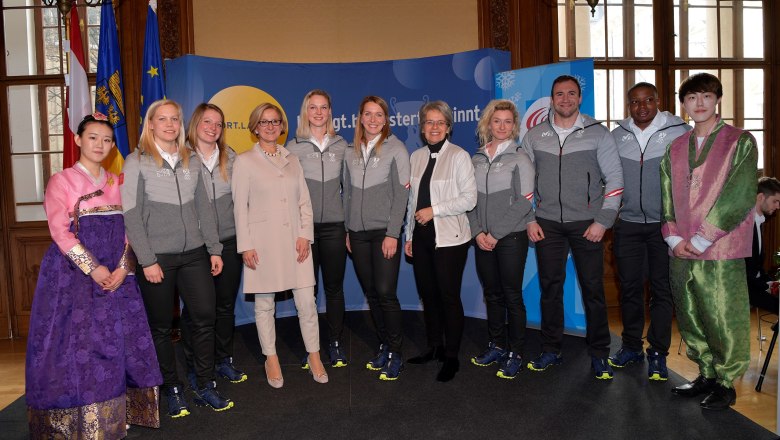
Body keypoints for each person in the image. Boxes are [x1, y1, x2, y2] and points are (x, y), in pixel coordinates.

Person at [27, 113, 162, 438]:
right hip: (73, 277)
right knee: (82, 348)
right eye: (93, 138)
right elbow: (60, 232)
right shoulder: (61, 181)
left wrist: (123, 267)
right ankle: (85, 419)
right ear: (78, 140)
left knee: (120, 342)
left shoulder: (119, 182)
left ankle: (120, 412)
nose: (100, 145)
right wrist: (93, 268)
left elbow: (132, 228)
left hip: (118, 275)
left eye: (107, 139)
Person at [121, 99, 233, 417]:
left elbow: (204, 210)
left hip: (195, 254)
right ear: (151, 124)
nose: (170, 124)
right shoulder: (136, 162)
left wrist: (214, 249)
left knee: (204, 317)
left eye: (175, 119)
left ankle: (205, 383)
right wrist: (147, 260)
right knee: (160, 327)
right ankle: (171, 388)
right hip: (156, 258)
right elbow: (131, 215)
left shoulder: (191, 160)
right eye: (163, 119)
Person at [662, 73, 758, 410]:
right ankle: (705, 372)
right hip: (681, 248)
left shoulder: (739, 141)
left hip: (720, 247)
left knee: (721, 316)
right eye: (691, 98)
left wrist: (703, 238)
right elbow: (667, 198)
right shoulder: (675, 147)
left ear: (717, 99)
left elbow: (740, 194)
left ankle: (725, 381)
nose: (698, 103)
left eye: (705, 96)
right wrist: (674, 238)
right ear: (683, 104)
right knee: (689, 313)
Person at [522, 75, 624, 380]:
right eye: (559, 94)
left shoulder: (598, 134)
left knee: (593, 290)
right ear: (551, 99)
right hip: (547, 224)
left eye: (571, 94)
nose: (565, 99)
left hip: (588, 224)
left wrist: (602, 222)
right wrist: (529, 218)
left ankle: (599, 353)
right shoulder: (534, 136)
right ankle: (550, 349)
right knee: (550, 289)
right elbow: (523, 182)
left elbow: (616, 180)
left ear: (580, 98)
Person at [233, 102, 328, 388]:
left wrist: (304, 235)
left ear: (283, 126)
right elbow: (240, 208)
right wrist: (246, 245)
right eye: (264, 122)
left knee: (307, 303)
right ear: (255, 127)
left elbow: (304, 202)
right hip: (262, 244)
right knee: (264, 305)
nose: (271, 126)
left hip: (295, 243)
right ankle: (270, 357)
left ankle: (314, 355)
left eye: (275, 121)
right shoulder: (245, 161)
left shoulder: (293, 160)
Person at [608, 82, 691, 381]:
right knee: (629, 289)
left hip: (665, 226)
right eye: (635, 102)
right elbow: (606, 176)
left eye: (648, 101)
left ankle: (658, 352)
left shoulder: (680, 131)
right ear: (628, 105)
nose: (641, 107)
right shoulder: (617, 136)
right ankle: (630, 346)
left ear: (658, 101)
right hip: (627, 225)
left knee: (662, 291)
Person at [404, 100, 477, 382]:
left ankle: (451, 357)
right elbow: (412, 202)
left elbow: (469, 199)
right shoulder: (417, 157)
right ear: (422, 128)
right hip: (421, 238)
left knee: (448, 297)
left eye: (440, 122)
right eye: (429, 122)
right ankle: (434, 347)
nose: (434, 127)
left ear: (448, 127)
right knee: (429, 296)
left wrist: (434, 211)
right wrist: (409, 235)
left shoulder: (459, 156)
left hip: (450, 239)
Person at [343, 96, 411, 380]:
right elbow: (346, 191)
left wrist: (393, 233)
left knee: (385, 293)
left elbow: (402, 196)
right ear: (360, 118)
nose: (373, 119)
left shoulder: (397, 149)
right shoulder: (350, 150)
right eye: (368, 114)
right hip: (357, 235)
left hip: (384, 233)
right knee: (372, 294)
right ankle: (384, 344)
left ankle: (396, 352)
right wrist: (348, 229)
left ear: (386, 119)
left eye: (378, 114)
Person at [179, 103, 247, 385]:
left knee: (224, 306)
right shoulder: (179, 158)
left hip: (228, 241)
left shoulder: (231, 158)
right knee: (196, 310)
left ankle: (222, 359)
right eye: (207, 122)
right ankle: (194, 364)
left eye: (219, 124)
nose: (213, 128)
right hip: (195, 246)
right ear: (195, 123)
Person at [467, 99, 535, 380]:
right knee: (492, 294)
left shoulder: (520, 157)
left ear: (515, 125)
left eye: (508, 121)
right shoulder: (476, 158)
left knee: (512, 295)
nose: (502, 126)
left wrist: (495, 234)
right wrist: (478, 232)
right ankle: (496, 345)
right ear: (488, 123)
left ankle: (516, 352)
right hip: (482, 238)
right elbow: (469, 200)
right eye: (497, 121)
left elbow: (525, 201)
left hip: (510, 238)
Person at [286, 90, 350, 368]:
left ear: (330, 112)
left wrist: (349, 227)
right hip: (304, 230)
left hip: (335, 227)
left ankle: (335, 343)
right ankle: (311, 347)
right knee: (307, 291)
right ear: (305, 112)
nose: (319, 112)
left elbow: (350, 188)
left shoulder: (342, 145)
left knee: (334, 288)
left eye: (324, 107)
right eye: (313, 107)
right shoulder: (293, 146)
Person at [746, 177, 780, 312]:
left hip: (755, 285)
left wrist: (771, 283)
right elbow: (744, 270)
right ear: (760, 197)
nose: (778, 206)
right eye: (775, 201)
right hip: (745, 289)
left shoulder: (759, 222)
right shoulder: (745, 225)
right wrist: (765, 285)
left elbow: (756, 265)